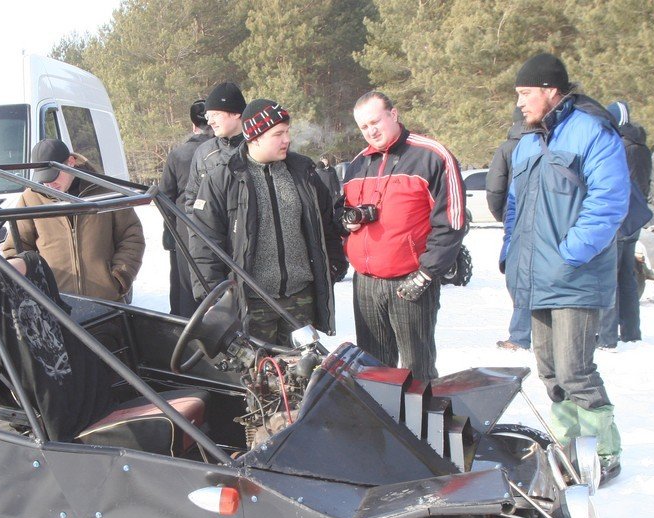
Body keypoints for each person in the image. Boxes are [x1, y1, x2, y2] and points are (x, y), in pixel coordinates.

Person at [501, 53, 630, 483]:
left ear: (550, 90)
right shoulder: (526, 141)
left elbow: (608, 200)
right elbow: (515, 206)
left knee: (576, 369)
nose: (519, 102)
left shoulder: (592, 131)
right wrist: (511, 253)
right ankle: (572, 443)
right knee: (550, 369)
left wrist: (572, 252)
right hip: (537, 276)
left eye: (525, 93)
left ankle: (603, 452)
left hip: (574, 275)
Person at [189, 99, 345, 345]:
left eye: (287, 132)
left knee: (304, 375)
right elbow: (204, 243)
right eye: (278, 134)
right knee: (260, 380)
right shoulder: (223, 179)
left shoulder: (304, 174)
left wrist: (334, 266)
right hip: (251, 303)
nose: (287, 139)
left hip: (301, 300)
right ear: (255, 137)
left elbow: (326, 227)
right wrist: (214, 298)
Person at [341, 91, 467, 381]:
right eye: (363, 127)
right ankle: (380, 425)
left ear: (393, 115)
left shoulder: (432, 156)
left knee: (416, 369)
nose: (371, 131)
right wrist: (347, 226)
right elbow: (344, 212)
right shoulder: (358, 164)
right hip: (367, 283)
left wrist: (427, 273)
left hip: (411, 281)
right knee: (371, 370)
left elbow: (452, 221)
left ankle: (421, 426)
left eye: (376, 121)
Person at [1, 138, 145, 302]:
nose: (49, 183)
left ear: (71, 162)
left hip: (106, 303)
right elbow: (16, 249)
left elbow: (132, 235)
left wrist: (119, 277)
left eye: (54, 175)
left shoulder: (106, 191)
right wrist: (37, 287)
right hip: (56, 307)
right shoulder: (30, 199)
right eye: (43, 178)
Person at [599, 100, 652, 349]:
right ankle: (631, 330)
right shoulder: (641, 146)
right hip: (634, 220)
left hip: (619, 218)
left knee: (609, 278)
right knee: (627, 278)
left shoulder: (619, 146)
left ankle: (607, 336)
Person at [159, 99, 213, 316]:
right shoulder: (226, 151)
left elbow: (165, 197)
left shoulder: (178, 155)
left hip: (186, 228)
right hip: (221, 228)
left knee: (187, 289)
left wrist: (168, 231)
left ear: (193, 125)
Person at [487, 108, 530, 351]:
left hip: (515, 222)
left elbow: (494, 188)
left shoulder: (507, 148)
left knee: (518, 278)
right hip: (542, 221)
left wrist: (501, 215)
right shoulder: (550, 141)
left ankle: (520, 335)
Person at [183, 82, 247, 220]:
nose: (210, 122)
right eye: (208, 117)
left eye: (215, 115)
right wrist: (200, 238)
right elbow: (192, 201)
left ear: (236, 113)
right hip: (214, 239)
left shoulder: (258, 147)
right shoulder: (204, 153)